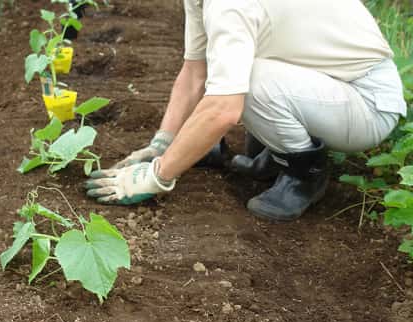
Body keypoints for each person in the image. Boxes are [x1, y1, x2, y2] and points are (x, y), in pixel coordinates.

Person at [85, 0, 408, 221]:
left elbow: (225, 109)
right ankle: (279, 152)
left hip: (366, 100)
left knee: (246, 81)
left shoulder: (230, 6)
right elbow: (194, 71)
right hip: (322, 83)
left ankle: (304, 176)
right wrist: (162, 143)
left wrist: (156, 176)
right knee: (234, 69)